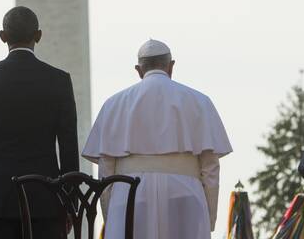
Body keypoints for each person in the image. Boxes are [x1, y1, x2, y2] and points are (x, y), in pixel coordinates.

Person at [83, 39, 232, 239]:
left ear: (138, 70)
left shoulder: (113, 105)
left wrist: (112, 217)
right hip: (184, 194)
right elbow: (210, 168)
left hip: (129, 195)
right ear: (171, 66)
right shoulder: (199, 101)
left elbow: (106, 170)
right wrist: (209, 217)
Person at [0, 6, 79, 239]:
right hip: (47, 199)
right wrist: (70, 203)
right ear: (38, 35)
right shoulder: (59, 80)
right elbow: (68, 146)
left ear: (3, 37)